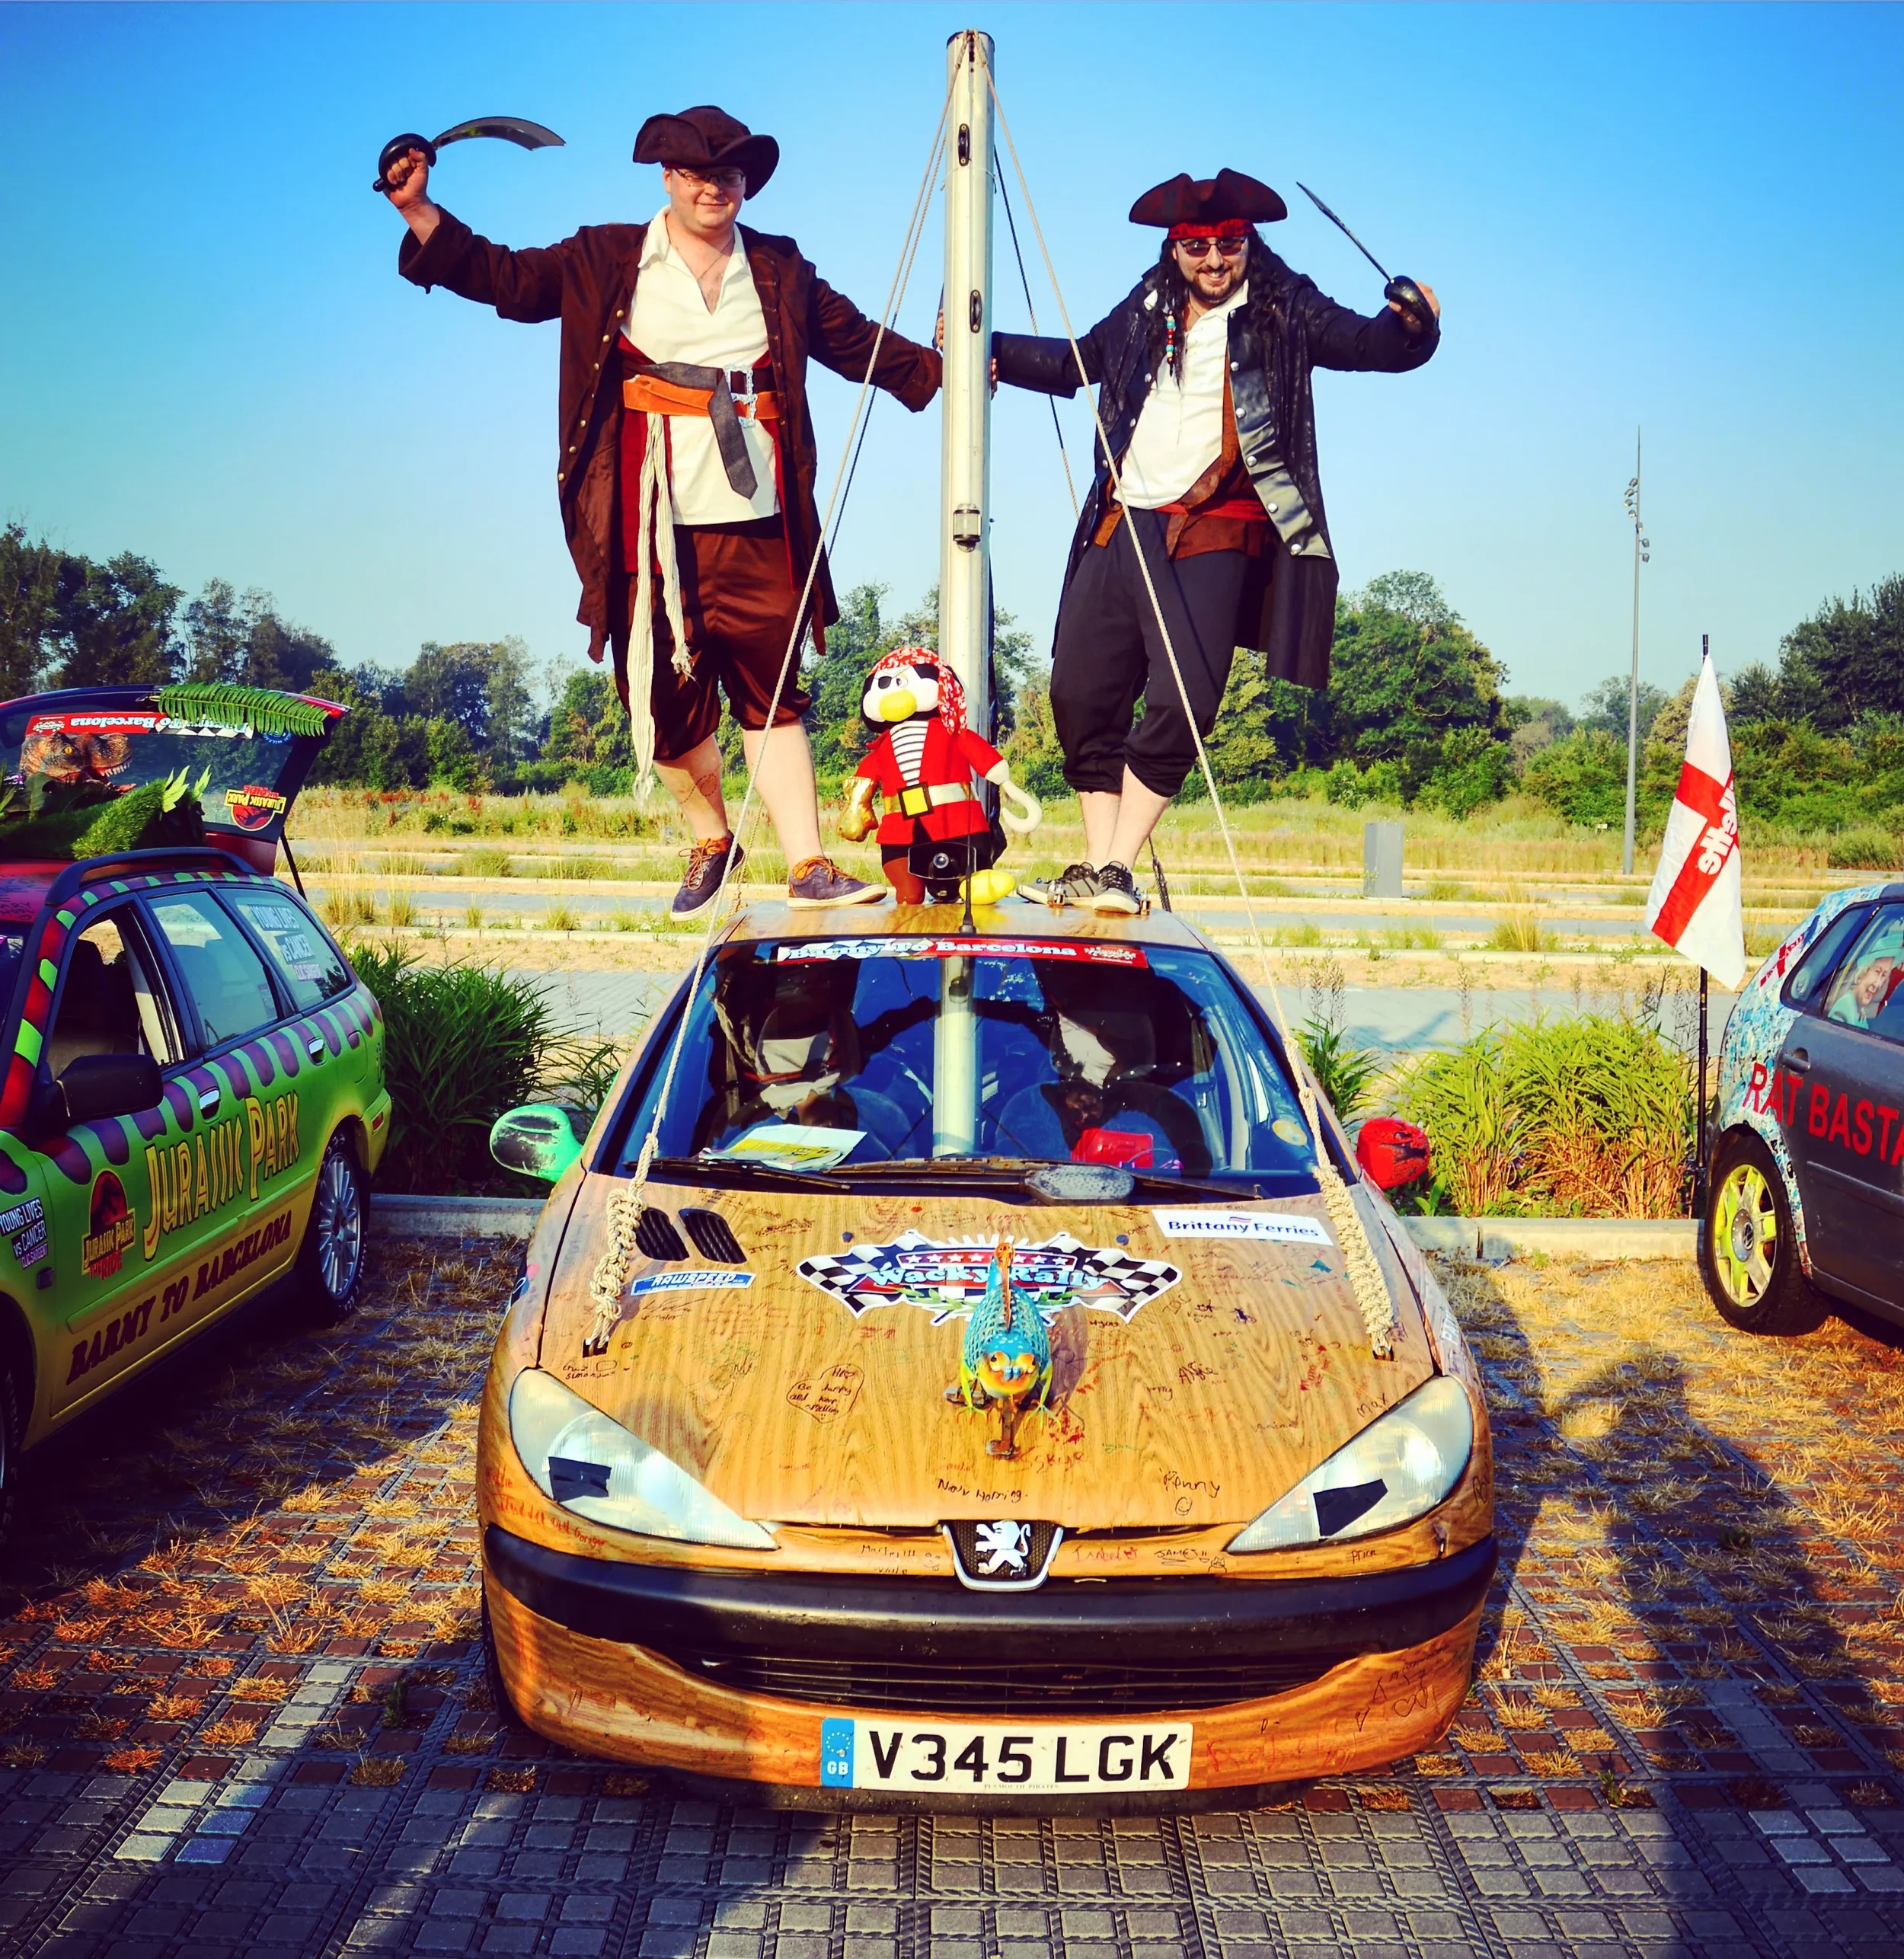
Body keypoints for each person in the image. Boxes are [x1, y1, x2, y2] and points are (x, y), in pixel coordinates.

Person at [383, 104, 942, 913]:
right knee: (660, 699)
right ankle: (712, 837)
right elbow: (503, 277)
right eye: (696, 173)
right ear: (667, 179)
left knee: (773, 689)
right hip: (645, 521)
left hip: (758, 518)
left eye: (728, 174)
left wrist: (944, 369)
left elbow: (856, 343)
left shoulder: (781, 268)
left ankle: (810, 864)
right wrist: (418, 211)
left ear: (745, 182)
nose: (714, 187)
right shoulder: (604, 257)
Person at [992, 168, 1440, 913]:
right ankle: (1098, 866)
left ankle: (1119, 867)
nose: (1212, 260)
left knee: (1183, 701)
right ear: (1175, 248)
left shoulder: (1283, 305)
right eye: (1196, 245)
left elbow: (1366, 343)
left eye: (1226, 244)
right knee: (1077, 693)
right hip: (1119, 518)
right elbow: (1083, 360)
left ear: (1246, 244)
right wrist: (990, 346)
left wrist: (1410, 325)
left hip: (1217, 526)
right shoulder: (1147, 304)